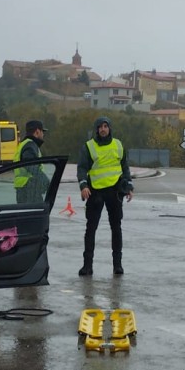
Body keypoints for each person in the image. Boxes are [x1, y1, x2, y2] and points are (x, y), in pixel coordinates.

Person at [76, 116, 133, 277]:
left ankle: (117, 265)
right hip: (95, 192)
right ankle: (87, 266)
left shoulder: (118, 145)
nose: (103, 129)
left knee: (116, 228)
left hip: (114, 192)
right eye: (100, 127)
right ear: (96, 130)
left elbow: (125, 167)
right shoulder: (89, 147)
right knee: (91, 229)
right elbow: (81, 168)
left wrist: (128, 186)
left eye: (106, 126)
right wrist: (83, 185)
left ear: (110, 128)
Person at [13, 119, 47, 204]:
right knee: (35, 215)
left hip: (22, 188)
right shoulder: (30, 145)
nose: (43, 134)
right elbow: (29, 164)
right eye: (42, 131)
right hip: (30, 188)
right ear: (37, 132)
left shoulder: (23, 144)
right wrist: (44, 180)